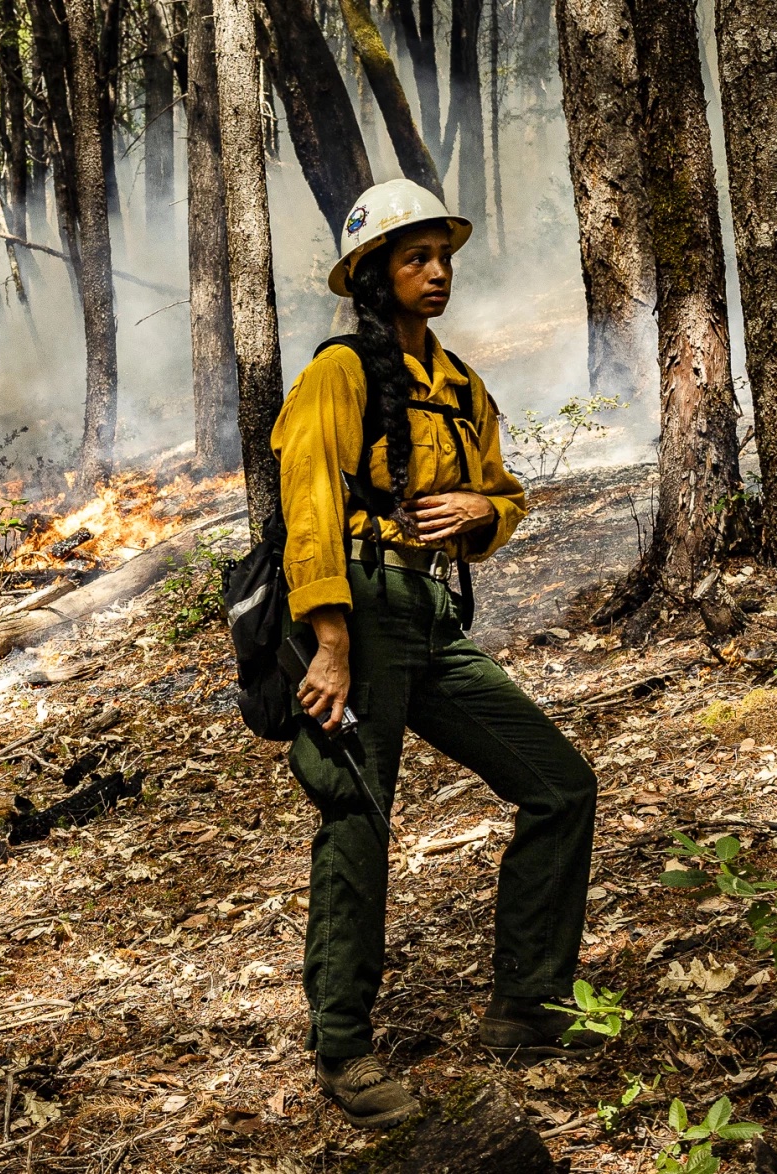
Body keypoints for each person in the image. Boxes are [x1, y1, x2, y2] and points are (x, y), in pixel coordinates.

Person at [271, 179, 600, 1130]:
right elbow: (309, 503)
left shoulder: (459, 385)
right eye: (416, 259)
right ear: (373, 275)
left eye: (443, 257)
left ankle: (528, 1006)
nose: (437, 273)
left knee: (559, 785)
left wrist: (481, 512)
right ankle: (343, 1051)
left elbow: (504, 489)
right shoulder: (339, 371)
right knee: (358, 821)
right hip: (359, 615)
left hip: (430, 617)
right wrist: (327, 643)